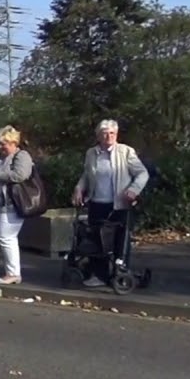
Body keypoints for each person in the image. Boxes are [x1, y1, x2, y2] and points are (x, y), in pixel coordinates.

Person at [71, 119, 148, 287]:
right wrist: (79, 188)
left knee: (120, 240)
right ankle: (98, 275)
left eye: (112, 133)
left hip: (119, 204)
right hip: (97, 203)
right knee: (96, 241)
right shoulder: (91, 153)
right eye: (104, 133)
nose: (108, 136)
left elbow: (142, 173)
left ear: (117, 134)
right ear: (98, 136)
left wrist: (134, 189)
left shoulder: (126, 152)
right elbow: (86, 175)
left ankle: (120, 273)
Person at [0, 126, 34, 285]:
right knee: (3, 238)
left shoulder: (22, 156)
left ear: (14, 142)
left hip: (11, 204)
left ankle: (13, 273)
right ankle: (11, 271)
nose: (0, 147)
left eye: (3, 143)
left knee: (7, 238)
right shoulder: (0, 159)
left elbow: (21, 175)